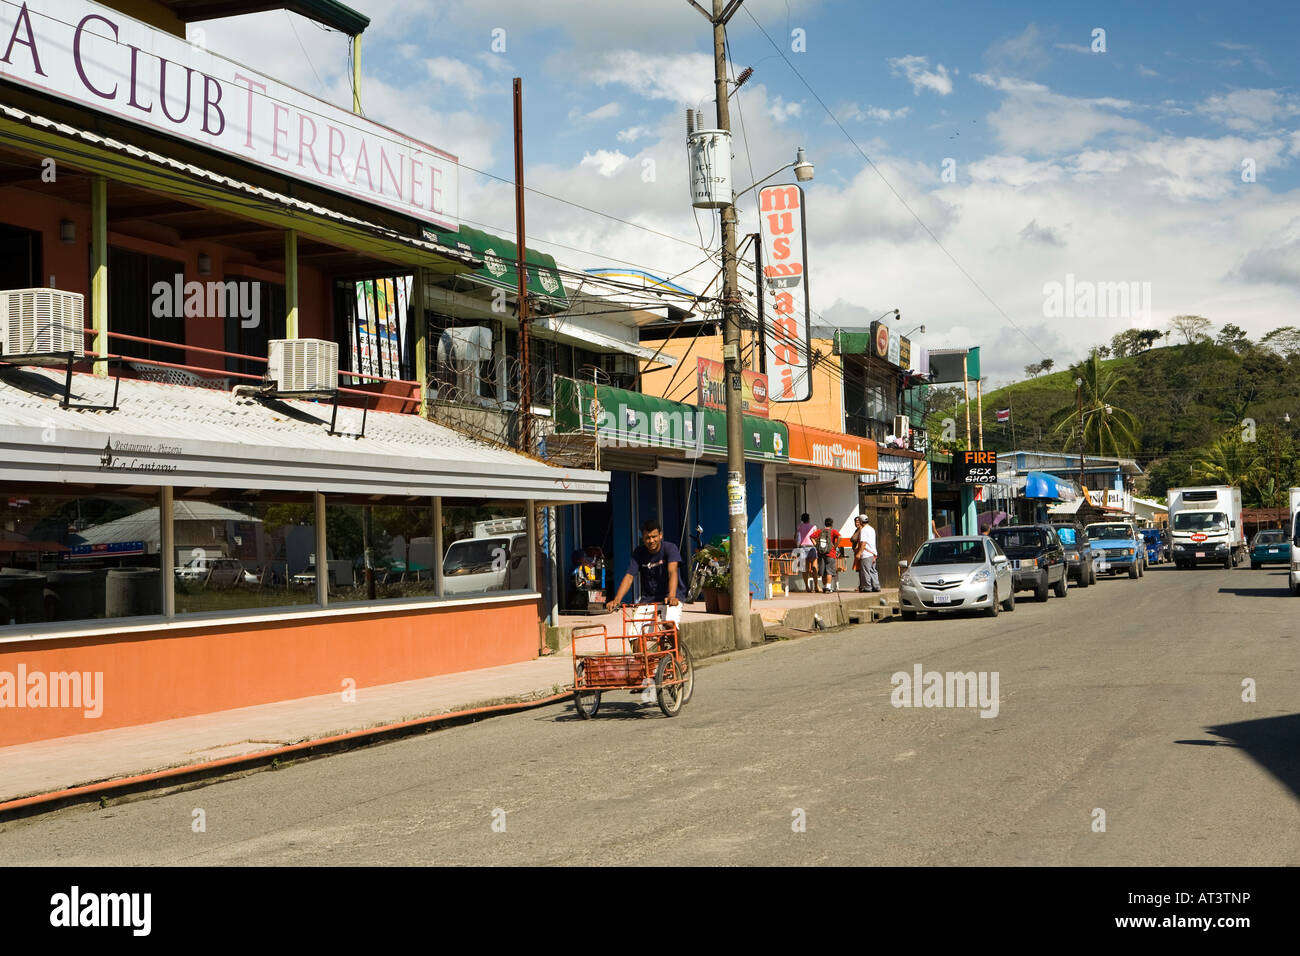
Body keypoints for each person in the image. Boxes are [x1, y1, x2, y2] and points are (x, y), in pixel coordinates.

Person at [606, 519, 687, 630]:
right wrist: (617, 600)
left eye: (654, 536)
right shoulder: (638, 553)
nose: (651, 540)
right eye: (647, 538)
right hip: (649, 598)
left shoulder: (670, 548)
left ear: (660, 535)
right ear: (643, 539)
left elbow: (672, 572)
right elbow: (629, 577)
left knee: (669, 625)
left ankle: (675, 646)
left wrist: (672, 596)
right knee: (635, 634)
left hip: (672, 596)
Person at [856, 514, 880, 592]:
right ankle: (876, 586)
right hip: (873, 553)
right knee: (873, 570)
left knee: (865, 571)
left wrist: (859, 553)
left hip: (866, 553)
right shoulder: (871, 529)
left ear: (861, 521)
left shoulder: (864, 530)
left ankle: (867, 587)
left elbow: (863, 543)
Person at [795, 512, 819, 589]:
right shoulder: (813, 527)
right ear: (808, 519)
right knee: (814, 567)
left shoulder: (799, 527)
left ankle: (807, 586)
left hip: (802, 547)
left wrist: (798, 545)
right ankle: (816, 586)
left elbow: (796, 536)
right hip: (811, 547)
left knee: (805, 568)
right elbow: (816, 537)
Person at [817, 517, 838, 593]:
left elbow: (811, 537)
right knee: (829, 571)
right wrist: (835, 546)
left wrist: (816, 545)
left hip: (821, 553)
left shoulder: (820, 531)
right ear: (832, 524)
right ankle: (828, 587)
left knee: (823, 572)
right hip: (830, 553)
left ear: (824, 523)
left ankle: (824, 586)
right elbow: (840, 537)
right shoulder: (833, 531)